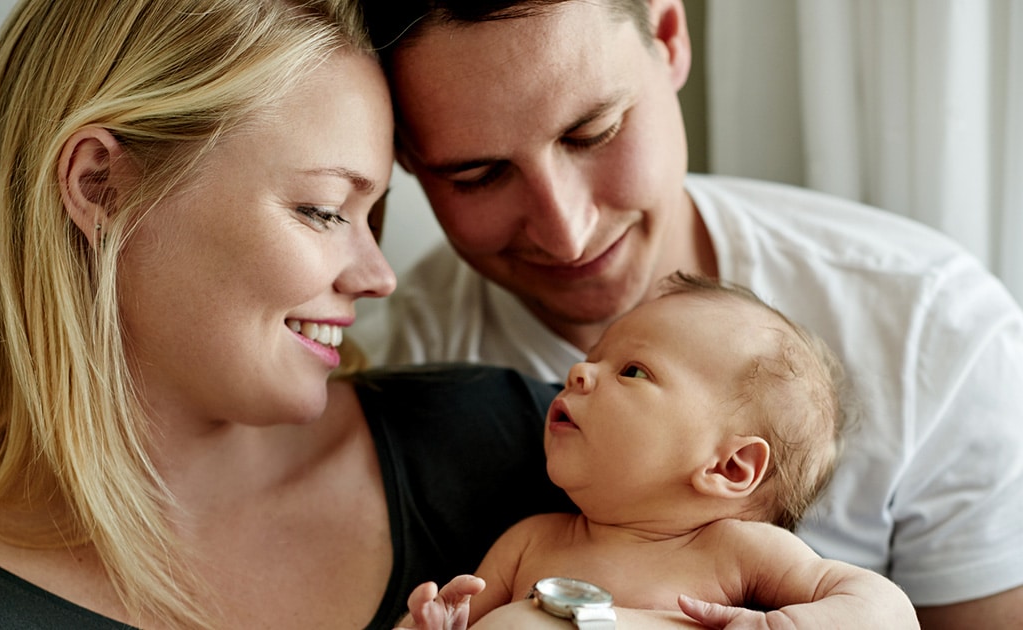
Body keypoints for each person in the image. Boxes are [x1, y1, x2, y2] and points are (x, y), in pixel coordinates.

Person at [0, 1, 597, 628]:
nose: (379, 276)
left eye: (373, 215)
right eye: (323, 211)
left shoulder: (522, 447)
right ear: (101, 186)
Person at [355, 0, 1023, 625]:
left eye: (594, 132)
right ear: (406, 159)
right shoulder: (389, 372)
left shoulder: (933, 330)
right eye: (478, 175)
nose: (567, 231)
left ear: (670, 36)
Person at [396, 272, 918, 629]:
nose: (578, 372)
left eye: (632, 371)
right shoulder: (529, 542)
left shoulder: (734, 552)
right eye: (591, 357)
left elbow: (889, 612)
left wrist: (789, 624)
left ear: (729, 466)